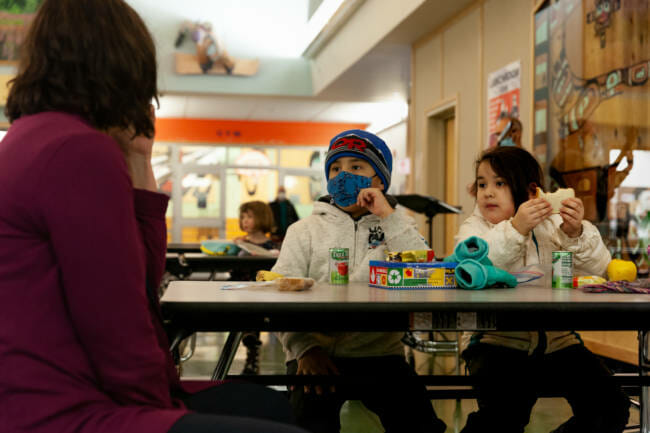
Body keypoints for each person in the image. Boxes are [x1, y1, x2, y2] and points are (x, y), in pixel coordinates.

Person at [0, 1, 306, 433]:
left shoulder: (34, 138)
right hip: (66, 409)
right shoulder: (77, 152)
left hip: (41, 395)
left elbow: (142, 277)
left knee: (276, 409)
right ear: (125, 65)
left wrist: (139, 159)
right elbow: (118, 328)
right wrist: (165, 412)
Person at [272, 129, 447, 433]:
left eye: (356, 167)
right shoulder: (303, 231)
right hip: (315, 354)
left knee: (421, 426)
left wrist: (388, 217)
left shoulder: (396, 226)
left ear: (379, 181)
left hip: (380, 354)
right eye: (336, 169)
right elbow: (282, 291)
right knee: (307, 424)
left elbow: (424, 268)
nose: (343, 176)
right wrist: (304, 348)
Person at [455, 146, 630, 433]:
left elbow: (599, 268)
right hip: (495, 340)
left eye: (500, 183)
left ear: (531, 191)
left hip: (558, 339)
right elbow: (473, 267)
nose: (487, 192)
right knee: (503, 417)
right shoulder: (474, 229)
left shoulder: (554, 225)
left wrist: (576, 234)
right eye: (482, 184)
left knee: (609, 407)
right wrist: (515, 229)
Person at [233, 200, 279, 375]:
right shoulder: (240, 244)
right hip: (242, 291)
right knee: (246, 318)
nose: (245, 220)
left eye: (250, 217)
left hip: (263, 292)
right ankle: (251, 350)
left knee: (255, 317)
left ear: (261, 218)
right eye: (243, 217)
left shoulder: (271, 246)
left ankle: (252, 352)